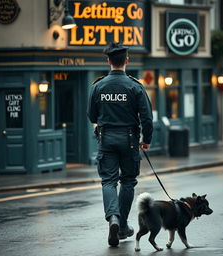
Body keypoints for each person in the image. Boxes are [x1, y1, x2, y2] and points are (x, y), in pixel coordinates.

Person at [87, 42, 153, 247]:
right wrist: (146, 140)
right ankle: (122, 225)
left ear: (108, 61)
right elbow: (147, 118)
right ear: (127, 60)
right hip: (130, 140)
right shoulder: (135, 86)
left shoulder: (98, 86)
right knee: (128, 181)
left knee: (108, 181)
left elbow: (91, 115)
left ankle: (113, 218)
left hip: (106, 139)